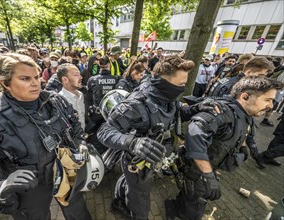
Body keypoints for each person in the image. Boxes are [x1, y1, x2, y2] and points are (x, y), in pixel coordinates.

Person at [0, 53, 91, 220]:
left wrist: (79, 143)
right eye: (25, 79)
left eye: (36, 76)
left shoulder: (56, 101)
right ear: (5, 83)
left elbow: (75, 125)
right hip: (28, 190)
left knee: (78, 212)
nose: (35, 83)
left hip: (67, 172)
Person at [97, 55, 223, 219]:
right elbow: (104, 131)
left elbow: (177, 112)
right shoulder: (135, 104)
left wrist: (196, 108)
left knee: (132, 186)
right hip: (137, 162)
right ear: (164, 82)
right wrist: (133, 143)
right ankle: (129, 210)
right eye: (180, 85)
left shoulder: (166, 95)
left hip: (154, 157)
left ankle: (121, 197)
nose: (183, 88)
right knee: (141, 206)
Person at [165, 76, 284, 220]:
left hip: (207, 166)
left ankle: (177, 205)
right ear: (245, 96)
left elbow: (239, 135)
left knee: (190, 196)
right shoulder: (222, 111)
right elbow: (195, 134)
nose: (271, 106)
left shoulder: (245, 114)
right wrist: (208, 175)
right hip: (196, 168)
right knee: (193, 211)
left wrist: (243, 148)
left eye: (272, 100)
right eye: (267, 100)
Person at [207, 57, 274, 98]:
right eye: (260, 75)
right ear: (249, 72)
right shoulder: (237, 86)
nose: (262, 79)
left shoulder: (230, 80)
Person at [58, 63, 85, 130]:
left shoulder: (81, 95)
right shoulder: (60, 101)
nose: (81, 77)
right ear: (65, 80)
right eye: (76, 75)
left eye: (80, 74)